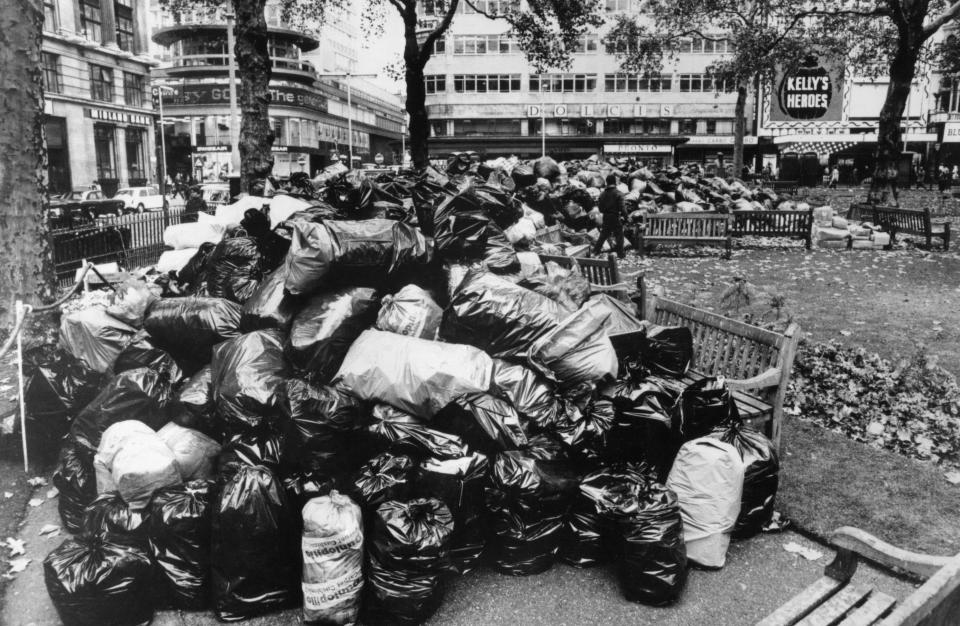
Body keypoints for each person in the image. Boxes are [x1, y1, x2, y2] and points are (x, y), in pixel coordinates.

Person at [593, 173, 628, 259]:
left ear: (607, 182)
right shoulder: (619, 193)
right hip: (615, 217)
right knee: (619, 235)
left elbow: (600, 209)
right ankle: (621, 254)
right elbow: (622, 208)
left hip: (606, 217)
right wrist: (626, 217)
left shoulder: (602, 194)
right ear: (615, 182)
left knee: (603, 235)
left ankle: (595, 251)